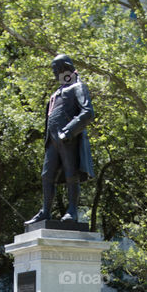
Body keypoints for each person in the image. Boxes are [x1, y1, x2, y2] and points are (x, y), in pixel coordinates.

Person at [27, 54, 95, 224]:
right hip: (52, 140)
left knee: (71, 173)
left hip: (68, 138)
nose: (54, 72)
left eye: (56, 69)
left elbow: (88, 112)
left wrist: (69, 131)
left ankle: (72, 211)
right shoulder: (57, 92)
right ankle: (45, 211)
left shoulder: (78, 87)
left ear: (65, 67)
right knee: (46, 174)